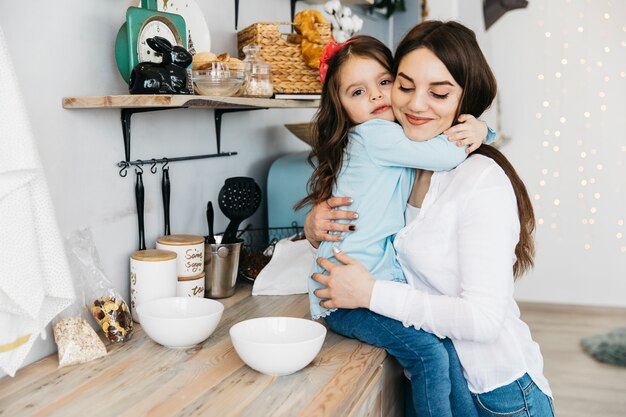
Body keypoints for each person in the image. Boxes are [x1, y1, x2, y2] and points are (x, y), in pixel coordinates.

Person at [307, 21, 555, 417]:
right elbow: (362, 218)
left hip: (499, 396)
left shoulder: (479, 180)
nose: (416, 104)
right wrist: (314, 225)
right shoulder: (403, 162)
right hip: (448, 375)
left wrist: (371, 294)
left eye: (439, 93)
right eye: (405, 86)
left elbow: (484, 320)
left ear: (465, 98)